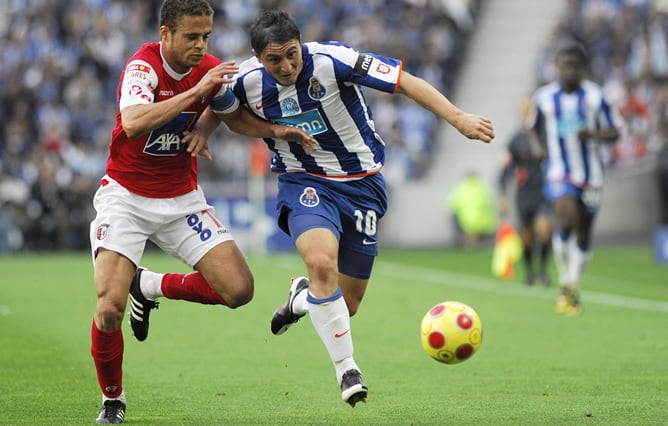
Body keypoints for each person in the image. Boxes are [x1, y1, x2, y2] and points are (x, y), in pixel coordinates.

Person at [196, 9, 493, 407]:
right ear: (258, 57)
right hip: (304, 181)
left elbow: (404, 82)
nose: (286, 66)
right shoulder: (247, 80)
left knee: (343, 304)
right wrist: (207, 131)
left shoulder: (335, 60)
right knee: (322, 266)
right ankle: (347, 371)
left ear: (300, 44)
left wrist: (457, 118)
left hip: (363, 185)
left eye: (291, 54)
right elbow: (225, 110)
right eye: (274, 59)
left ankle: (301, 298)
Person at [89, 1, 315, 423]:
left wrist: (274, 130)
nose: (201, 45)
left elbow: (232, 116)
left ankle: (150, 285)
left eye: (206, 36)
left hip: (181, 199)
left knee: (238, 290)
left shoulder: (209, 69)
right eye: (192, 36)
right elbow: (134, 122)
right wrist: (197, 91)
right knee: (108, 309)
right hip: (127, 198)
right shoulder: (143, 67)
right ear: (166, 34)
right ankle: (113, 400)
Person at [528, 42, 619, 315]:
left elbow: (614, 131)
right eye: (565, 65)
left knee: (584, 233)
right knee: (565, 220)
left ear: (583, 69)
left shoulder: (595, 96)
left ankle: (571, 284)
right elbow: (534, 127)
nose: (570, 71)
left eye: (575, 66)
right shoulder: (544, 97)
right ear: (558, 66)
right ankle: (566, 284)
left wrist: (593, 135)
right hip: (559, 171)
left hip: (591, 175)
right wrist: (540, 148)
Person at [498, 100, 553, 286]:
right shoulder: (516, 140)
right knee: (527, 237)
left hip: (543, 191)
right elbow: (506, 169)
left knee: (544, 231)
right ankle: (530, 271)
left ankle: (544, 270)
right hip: (524, 194)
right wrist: (504, 195)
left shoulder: (545, 137)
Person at [448, 170, 498, 249]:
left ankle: (470, 247)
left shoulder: (461, 188)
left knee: (470, 235)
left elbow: (453, 206)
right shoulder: (483, 188)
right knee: (484, 239)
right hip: (484, 221)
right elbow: (490, 203)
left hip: (468, 220)